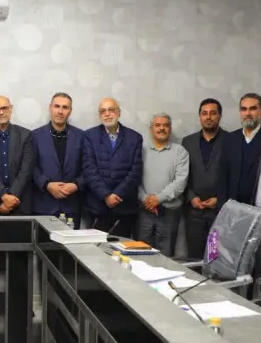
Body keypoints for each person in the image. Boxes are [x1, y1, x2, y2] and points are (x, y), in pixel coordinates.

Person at [82, 98, 143, 237]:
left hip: (124, 207)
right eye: (103, 111)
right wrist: (106, 195)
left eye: (111, 110)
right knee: (95, 249)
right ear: (99, 115)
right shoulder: (89, 136)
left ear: (119, 112)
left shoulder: (135, 138)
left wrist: (117, 194)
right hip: (97, 207)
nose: (107, 114)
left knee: (120, 249)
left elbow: (136, 171)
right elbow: (89, 170)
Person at [137, 113, 189, 256]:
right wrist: (145, 199)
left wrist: (157, 199)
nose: (161, 128)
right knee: (141, 254)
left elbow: (180, 183)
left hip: (169, 213)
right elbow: (134, 179)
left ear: (170, 129)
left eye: (166, 125)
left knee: (165, 257)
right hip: (144, 211)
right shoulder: (141, 151)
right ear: (151, 129)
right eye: (157, 125)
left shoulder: (180, 152)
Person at [32, 93, 85, 227]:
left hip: (71, 207)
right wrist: (47, 185)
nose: (60, 111)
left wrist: (76, 185)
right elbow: (31, 167)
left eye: (65, 107)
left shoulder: (82, 136)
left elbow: (89, 167)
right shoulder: (34, 136)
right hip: (44, 206)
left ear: (70, 111)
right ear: (50, 108)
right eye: (57, 106)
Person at [182, 98, 226, 260]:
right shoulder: (188, 142)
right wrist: (191, 197)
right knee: (195, 258)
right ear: (200, 116)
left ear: (220, 116)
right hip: (194, 211)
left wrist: (219, 199)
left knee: (217, 258)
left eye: (213, 113)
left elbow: (233, 176)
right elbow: (182, 174)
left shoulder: (231, 140)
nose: (208, 117)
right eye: (204, 113)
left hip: (220, 212)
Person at [218, 93, 261, 208]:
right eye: (244, 109)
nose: (247, 113)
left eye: (253, 109)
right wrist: (222, 207)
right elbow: (222, 176)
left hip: (258, 207)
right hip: (233, 207)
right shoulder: (230, 139)